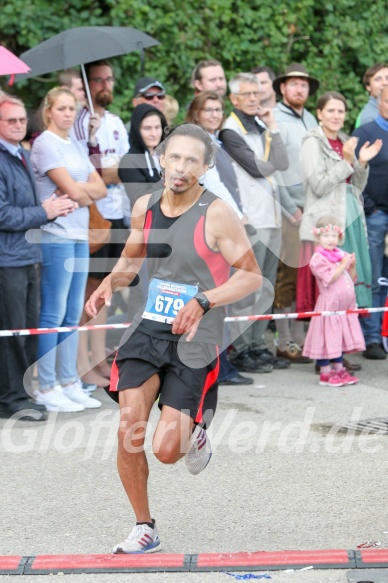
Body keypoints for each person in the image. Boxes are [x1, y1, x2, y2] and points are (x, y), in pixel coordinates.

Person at [85, 123, 262, 554]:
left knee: (167, 451)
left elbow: (251, 276)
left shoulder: (217, 213)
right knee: (129, 428)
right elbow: (132, 257)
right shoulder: (144, 206)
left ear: (203, 168)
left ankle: (196, 430)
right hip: (148, 327)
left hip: (197, 335)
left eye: (191, 160)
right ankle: (144, 526)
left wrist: (204, 300)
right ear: (162, 158)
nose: (181, 167)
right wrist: (111, 282)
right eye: (175, 157)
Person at [0, 94, 76, 421]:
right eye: (10, 121)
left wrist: (52, 208)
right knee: (12, 331)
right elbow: (3, 214)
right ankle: (11, 399)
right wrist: (43, 211)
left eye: (21, 120)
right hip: (8, 260)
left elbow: (27, 208)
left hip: (27, 253)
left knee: (27, 329)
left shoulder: (20, 154)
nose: (18, 125)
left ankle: (20, 394)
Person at [31, 87, 106, 412]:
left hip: (78, 235)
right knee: (53, 312)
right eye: (60, 108)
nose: (66, 113)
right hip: (55, 236)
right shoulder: (45, 144)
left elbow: (98, 190)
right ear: (48, 110)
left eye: (71, 108)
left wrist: (82, 192)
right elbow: (74, 190)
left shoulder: (73, 144)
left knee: (73, 312)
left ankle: (68, 380)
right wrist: (82, 192)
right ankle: (47, 385)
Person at [220, 72, 290, 373]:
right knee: (248, 286)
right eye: (246, 94)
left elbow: (282, 162)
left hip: (271, 216)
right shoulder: (229, 130)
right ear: (233, 98)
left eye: (257, 93)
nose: (253, 99)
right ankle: (243, 347)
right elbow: (258, 168)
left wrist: (273, 128)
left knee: (267, 287)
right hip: (250, 218)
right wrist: (271, 156)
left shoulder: (262, 123)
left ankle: (259, 344)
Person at [185, 90, 254, 384]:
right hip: (209, 228)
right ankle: (215, 366)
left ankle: (219, 364)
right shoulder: (198, 143)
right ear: (196, 113)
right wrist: (236, 217)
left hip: (223, 223)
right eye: (208, 109)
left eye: (218, 109)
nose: (214, 114)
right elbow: (213, 187)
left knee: (220, 297)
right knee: (213, 296)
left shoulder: (216, 142)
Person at [71, 59, 130, 388]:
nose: (105, 85)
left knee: (106, 291)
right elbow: (86, 171)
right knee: (88, 293)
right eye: (98, 80)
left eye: (109, 79)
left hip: (116, 212)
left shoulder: (116, 121)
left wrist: (110, 173)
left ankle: (96, 358)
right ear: (86, 84)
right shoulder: (78, 122)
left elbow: (123, 168)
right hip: (92, 218)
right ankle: (82, 364)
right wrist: (89, 138)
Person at [297, 91, 382, 317]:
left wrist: (361, 162)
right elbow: (318, 185)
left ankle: (344, 341)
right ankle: (325, 347)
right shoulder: (311, 141)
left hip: (350, 215)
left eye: (340, 111)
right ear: (319, 114)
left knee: (347, 283)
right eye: (330, 110)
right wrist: (346, 161)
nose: (336, 116)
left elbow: (356, 187)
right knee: (329, 287)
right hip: (327, 223)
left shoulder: (346, 140)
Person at [270, 63, 318, 363]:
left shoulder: (311, 118)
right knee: (286, 274)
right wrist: (290, 208)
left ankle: (301, 341)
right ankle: (284, 340)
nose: (300, 89)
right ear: (283, 88)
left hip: (312, 209)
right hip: (290, 211)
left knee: (306, 275)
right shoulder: (275, 118)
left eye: (304, 84)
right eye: (294, 84)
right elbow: (273, 170)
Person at [302, 217, 365, 386]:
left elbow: (351, 279)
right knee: (327, 338)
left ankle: (338, 369)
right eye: (326, 236)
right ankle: (325, 372)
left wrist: (351, 267)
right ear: (318, 238)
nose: (331, 239)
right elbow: (330, 278)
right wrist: (344, 264)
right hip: (329, 306)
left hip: (343, 307)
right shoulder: (318, 259)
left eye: (334, 236)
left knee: (338, 338)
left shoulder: (339, 255)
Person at [118, 104, 167, 321]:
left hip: (171, 234)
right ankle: (134, 350)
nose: (154, 133)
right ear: (137, 130)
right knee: (143, 293)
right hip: (144, 234)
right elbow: (141, 198)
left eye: (158, 127)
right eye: (147, 128)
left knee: (167, 294)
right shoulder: (129, 161)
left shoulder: (167, 157)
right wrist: (172, 182)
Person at [352, 87, 388, 360]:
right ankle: (372, 337)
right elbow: (353, 174)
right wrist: (370, 209)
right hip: (375, 216)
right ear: (378, 102)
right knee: (374, 278)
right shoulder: (364, 133)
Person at [355, 63, 388, 127]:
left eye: (387, 78)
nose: (385, 83)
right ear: (368, 87)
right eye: (378, 79)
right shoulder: (369, 117)